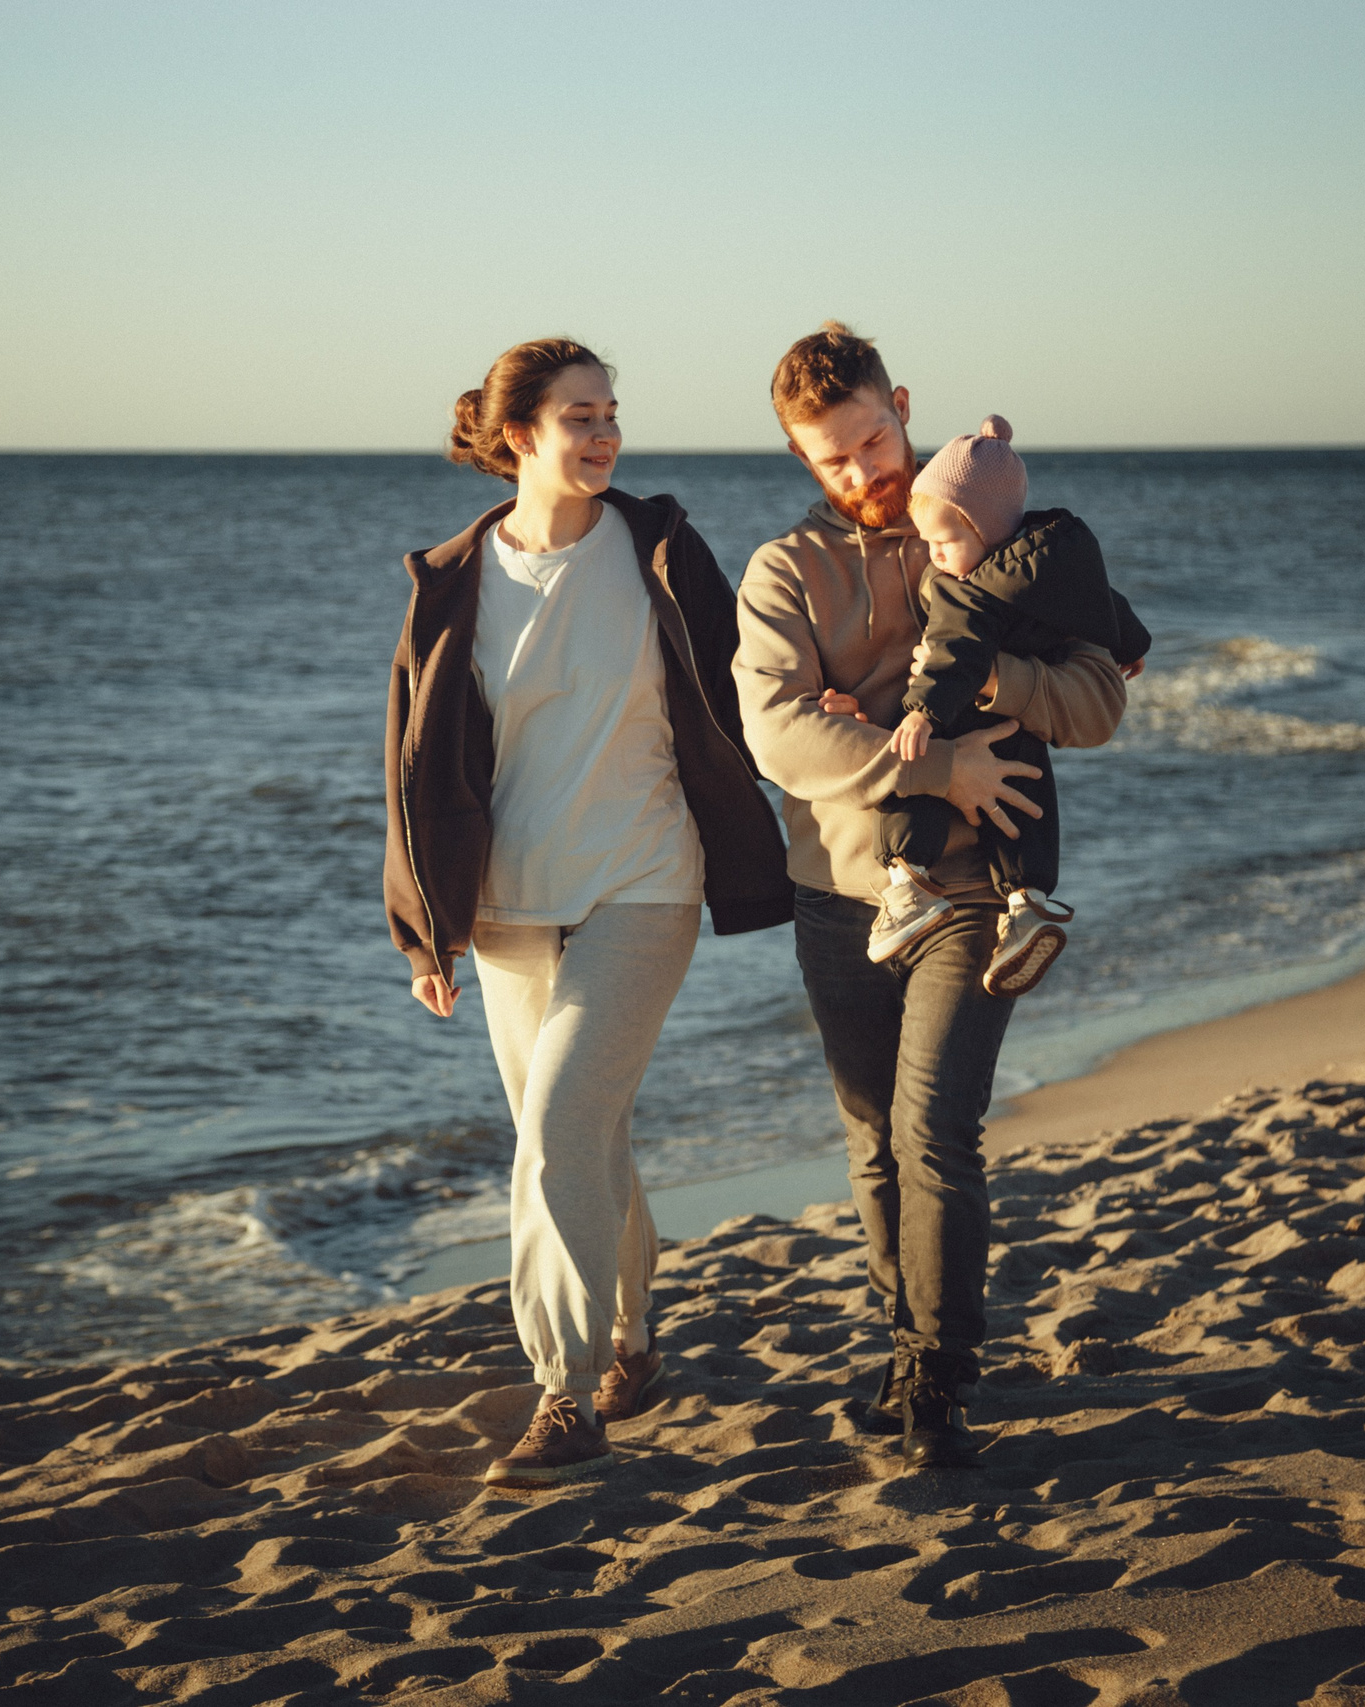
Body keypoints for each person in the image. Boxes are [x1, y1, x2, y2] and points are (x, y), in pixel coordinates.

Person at [384, 337, 791, 1490]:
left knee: (559, 1126)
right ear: (519, 436)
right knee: (586, 1136)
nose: (606, 433)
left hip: (643, 879)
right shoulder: (454, 577)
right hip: (510, 905)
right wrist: (429, 927)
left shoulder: (658, 548)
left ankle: (561, 1397)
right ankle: (636, 1340)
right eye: (580, 416)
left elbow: (750, 686)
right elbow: (414, 765)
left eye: (612, 411)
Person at [732, 323, 1129, 1470]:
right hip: (838, 896)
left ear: (900, 405)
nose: (864, 474)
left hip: (977, 892)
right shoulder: (784, 572)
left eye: (873, 440)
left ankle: (937, 1371)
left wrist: (995, 676)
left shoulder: (999, 529)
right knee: (871, 1143)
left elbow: (1098, 702)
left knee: (932, 1127)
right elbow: (779, 734)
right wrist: (939, 763)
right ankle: (903, 1343)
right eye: (833, 461)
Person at [876, 414, 1151, 992]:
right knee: (1024, 801)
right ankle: (1027, 905)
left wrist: (923, 711)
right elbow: (1099, 601)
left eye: (944, 541)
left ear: (987, 528)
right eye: (926, 541)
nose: (933, 554)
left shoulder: (965, 589)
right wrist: (1132, 644)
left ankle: (907, 884)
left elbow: (955, 648)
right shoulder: (1059, 558)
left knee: (912, 772)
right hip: (1019, 720)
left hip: (959, 709)